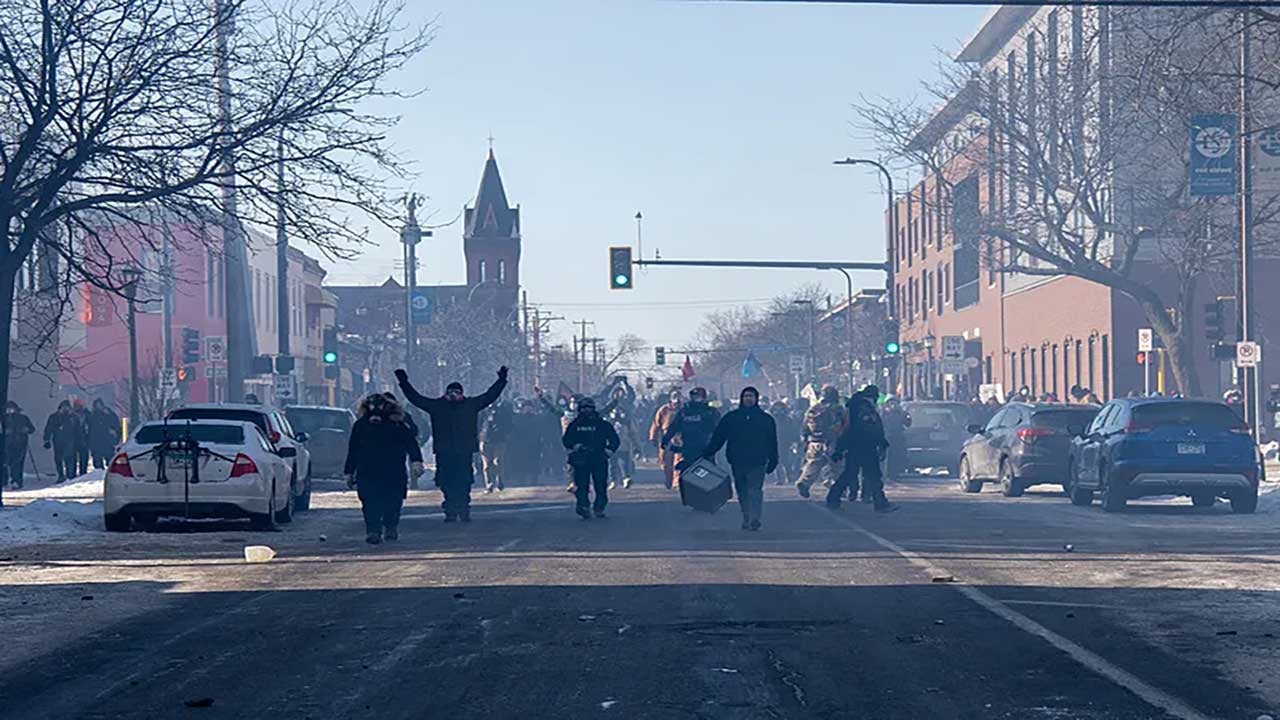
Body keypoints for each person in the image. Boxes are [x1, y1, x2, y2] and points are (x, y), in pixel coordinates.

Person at [396, 366, 508, 522]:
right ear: (446, 393)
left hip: (464, 450)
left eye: (456, 392)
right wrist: (403, 382)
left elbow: (490, 396)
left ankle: (463, 508)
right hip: (445, 450)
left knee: (464, 481)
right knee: (446, 482)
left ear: (461, 393)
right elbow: (416, 398)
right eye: (450, 392)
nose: (453, 395)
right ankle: (450, 508)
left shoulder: (470, 405)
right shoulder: (437, 406)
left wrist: (501, 380)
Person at [344, 394, 424, 544]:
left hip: (392, 471)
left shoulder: (398, 424)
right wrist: (348, 471)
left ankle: (390, 527)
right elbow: (353, 449)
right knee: (369, 502)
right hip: (368, 471)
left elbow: (411, 444)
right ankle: (373, 530)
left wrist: (416, 462)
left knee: (393, 501)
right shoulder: (361, 425)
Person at [702, 386, 778, 531]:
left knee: (755, 490)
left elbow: (772, 441)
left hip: (758, 460)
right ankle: (746, 516)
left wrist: (774, 460)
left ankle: (755, 517)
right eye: (746, 396)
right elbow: (719, 437)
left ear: (756, 399)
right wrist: (709, 452)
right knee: (742, 490)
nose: (748, 399)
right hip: (737, 460)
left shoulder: (766, 419)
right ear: (742, 399)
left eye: (751, 396)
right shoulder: (732, 418)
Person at [830, 385, 897, 513]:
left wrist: (840, 448)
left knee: (852, 474)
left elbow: (847, 429)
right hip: (864, 446)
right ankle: (880, 503)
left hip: (856, 446)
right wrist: (880, 442)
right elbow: (869, 428)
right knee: (872, 475)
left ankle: (833, 498)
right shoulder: (864, 408)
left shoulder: (855, 407)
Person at [562, 396, 620, 519]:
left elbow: (614, 440)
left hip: (599, 458)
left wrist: (609, 451)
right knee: (581, 485)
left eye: (589, 408)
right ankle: (583, 506)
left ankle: (599, 507)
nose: (586, 411)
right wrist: (575, 446)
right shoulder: (575, 425)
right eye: (584, 408)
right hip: (580, 459)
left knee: (601, 485)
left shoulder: (602, 424)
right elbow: (566, 440)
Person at [661, 387, 721, 491]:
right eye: (694, 396)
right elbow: (674, 426)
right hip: (688, 446)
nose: (696, 398)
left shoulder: (710, 411)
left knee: (707, 471)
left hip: (706, 447)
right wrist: (665, 440)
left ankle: (710, 493)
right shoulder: (685, 411)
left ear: (704, 397)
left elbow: (719, 428)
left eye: (699, 396)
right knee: (688, 470)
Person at [795, 386, 847, 498]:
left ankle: (804, 483)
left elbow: (804, 426)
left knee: (813, 464)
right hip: (832, 442)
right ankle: (837, 488)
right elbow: (845, 425)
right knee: (838, 467)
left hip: (814, 442)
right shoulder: (838, 409)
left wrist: (804, 440)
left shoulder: (813, 408)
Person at [649, 390, 683, 489]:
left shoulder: (685, 409)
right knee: (666, 462)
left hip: (680, 437)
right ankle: (668, 480)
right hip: (666, 438)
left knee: (679, 461)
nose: (676, 403)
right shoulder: (664, 410)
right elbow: (656, 424)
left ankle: (676, 482)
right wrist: (653, 437)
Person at [43, 401, 83, 483]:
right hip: (58, 441)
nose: (65, 409)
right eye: (63, 407)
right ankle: (61, 475)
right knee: (58, 459)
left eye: (67, 407)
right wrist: (47, 440)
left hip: (70, 441)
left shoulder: (73, 417)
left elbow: (78, 431)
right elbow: (48, 429)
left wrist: (80, 441)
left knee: (70, 458)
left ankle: (70, 475)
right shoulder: (54, 417)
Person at [479, 401, 512, 493]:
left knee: (498, 461)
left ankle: (499, 479)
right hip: (485, 439)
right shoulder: (483, 411)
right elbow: (478, 424)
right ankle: (489, 484)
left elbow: (508, 424)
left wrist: (505, 434)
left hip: (499, 439)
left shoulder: (502, 411)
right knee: (487, 465)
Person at [3, 401, 35, 491]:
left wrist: (26, 430)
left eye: (12, 408)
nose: (10, 410)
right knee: (6, 463)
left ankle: (17, 481)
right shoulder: (3, 419)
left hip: (20, 444)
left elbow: (32, 429)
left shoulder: (23, 418)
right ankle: (6, 481)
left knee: (17, 463)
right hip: (7, 444)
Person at [881, 396, 911, 484]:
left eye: (894, 403)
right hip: (887, 437)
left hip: (898, 438)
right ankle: (887, 474)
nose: (893, 405)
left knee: (898, 455)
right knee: (888, 457)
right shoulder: (883, 413)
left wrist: (906, 416)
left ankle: (895, 473)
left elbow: (908, 423)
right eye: (891, 403)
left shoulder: (901, 413)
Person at [770, 401, 801, 486]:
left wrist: (795, 441)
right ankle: (780, 479)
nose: (779, 411)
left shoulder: (788, 420)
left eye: (780, 409)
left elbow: (793, 431)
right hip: (774, 442)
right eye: (777, 409)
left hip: (785, 442)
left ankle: (789, 476)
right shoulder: (771, 419)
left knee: (786, 461)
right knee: (777, 462)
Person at [87, 399, 121, 471]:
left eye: (99, 405)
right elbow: (90, 430)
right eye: (97, 405)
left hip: (107, 441)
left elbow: (116, 425)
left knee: (110, 462)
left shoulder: (109, 414)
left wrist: (114, 437)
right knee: (98, 464)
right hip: (96, 442)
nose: (98, 407)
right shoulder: (92, 416)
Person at [72, 400, 91, 476]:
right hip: (74, 440)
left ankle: (83, 473)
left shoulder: (87, 414)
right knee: (72, 458)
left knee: (84, 458)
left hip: (84, 439)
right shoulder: (71, 415)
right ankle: (72, 474)